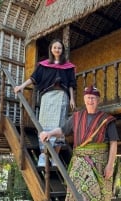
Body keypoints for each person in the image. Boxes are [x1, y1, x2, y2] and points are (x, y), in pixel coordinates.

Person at [40, 86, 119, 201]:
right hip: (78, 162)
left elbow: (113, 143)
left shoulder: (107, 119)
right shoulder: (76, 117)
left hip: (99, 164)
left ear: (98, 100)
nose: (90, 101)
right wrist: (50, 133)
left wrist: (110, 166)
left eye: (93, 98)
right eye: (88, 97)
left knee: (98, 194)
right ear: (84, 99)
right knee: (76, 191)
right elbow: (63, 130)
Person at [14, 39, 76, 167]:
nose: (57, 50)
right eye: (55, 47)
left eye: (59, 48)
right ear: (51, 49)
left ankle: (55, 158)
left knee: (60, 125)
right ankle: (43, 156)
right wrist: (22, 86)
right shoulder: (43, 65)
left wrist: (72, 98)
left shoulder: (68, 67)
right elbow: (33, 78)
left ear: (62, 50)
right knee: (44, 124)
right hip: (47, 96)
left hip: (62, 97)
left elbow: (71, 84)